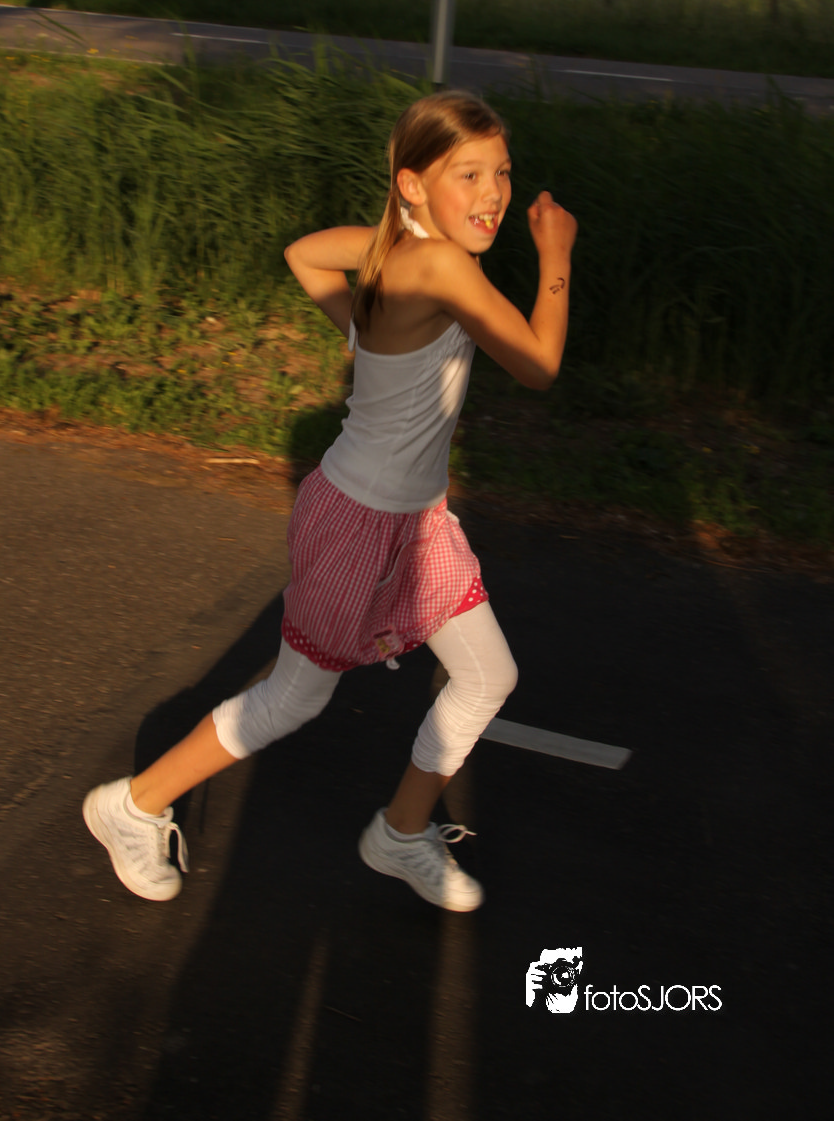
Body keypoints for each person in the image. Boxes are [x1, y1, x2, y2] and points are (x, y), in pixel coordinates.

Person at [84, 90, 576, 912]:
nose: (493, 193)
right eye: (469, 174)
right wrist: (556, 254)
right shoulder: (444, 266)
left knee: (488, 673)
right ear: (412, 184)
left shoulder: (398, 247)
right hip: (358, 519)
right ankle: (131, 806)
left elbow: (304, 253)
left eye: (502, 171)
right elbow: (540, 365)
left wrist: (362, 332)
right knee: (293, 697)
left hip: (416, 520)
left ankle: (401, 832)